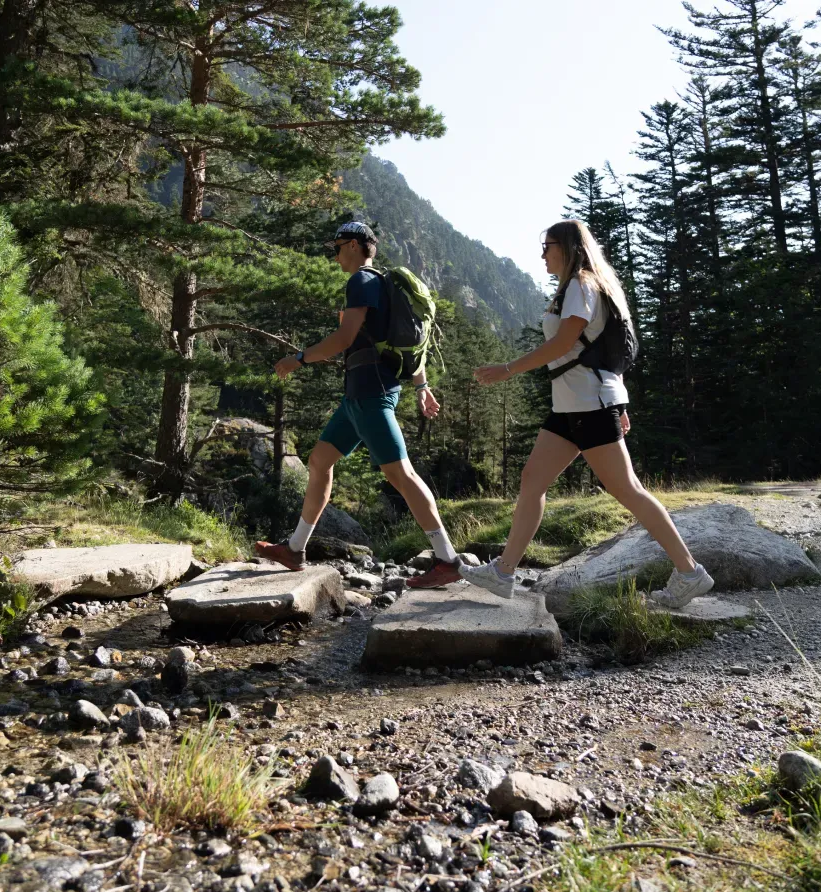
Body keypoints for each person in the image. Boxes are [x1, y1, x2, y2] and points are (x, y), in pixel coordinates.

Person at [459, 219, 714, 608]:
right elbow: (599, 349)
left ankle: (690, 572)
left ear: (567, 247)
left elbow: (564, 342)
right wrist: (620, 402)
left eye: (547, 246)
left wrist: (507, 369)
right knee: (532, 480)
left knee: (627, 489)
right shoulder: (584, 286)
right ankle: (503, 572)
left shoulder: (581, 284)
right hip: (572, 405)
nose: (542, 255)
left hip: (589, 404)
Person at [254, 221, 464, 588]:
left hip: (371, 394)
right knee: (319, 460)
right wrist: (421, 386)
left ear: (353, 245)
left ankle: (447, 560)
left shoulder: (362, 281)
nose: (335, 256)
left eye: (337, 248)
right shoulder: (380, 284)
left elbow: (344, 337)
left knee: (401, 475)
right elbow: (405, 343)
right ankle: (295, 549)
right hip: (358, 397)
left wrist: (299, 358)